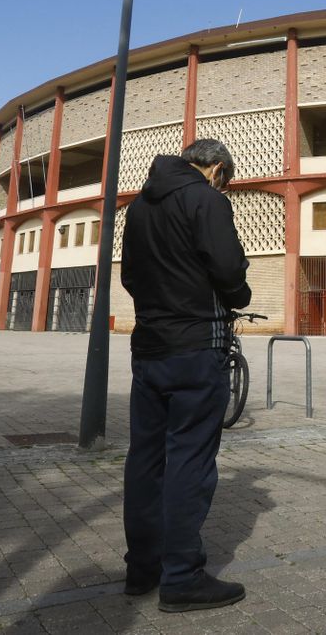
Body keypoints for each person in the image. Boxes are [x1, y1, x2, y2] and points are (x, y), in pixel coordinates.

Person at [121, 140, 253, 613]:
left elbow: (130, 277)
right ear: (216, 168)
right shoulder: (207, 199)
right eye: (226, 180)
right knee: (190, 462)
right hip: (197, 346)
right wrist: (239, 291)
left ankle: (142, 569)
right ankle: (181, 578)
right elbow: (227, 267)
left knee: (145, 459)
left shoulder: (138, 207)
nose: (225, 188)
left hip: (149, 346)